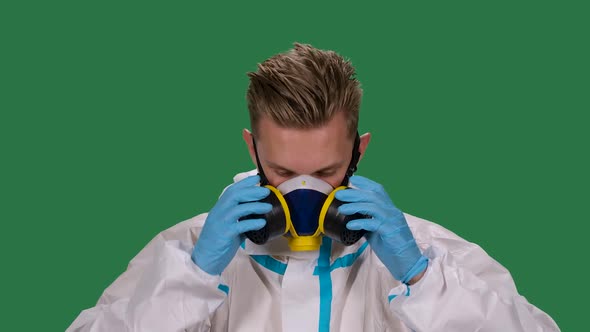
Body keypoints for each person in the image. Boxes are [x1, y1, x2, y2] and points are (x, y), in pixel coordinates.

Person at [67, 43, 560, 332]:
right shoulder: (187, 252)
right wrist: (191, 280)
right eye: (282, 172)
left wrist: (421, 279)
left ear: (359, 152)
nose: (304, 191)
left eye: (326, 173)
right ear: (252, 149)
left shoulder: (428, 254)